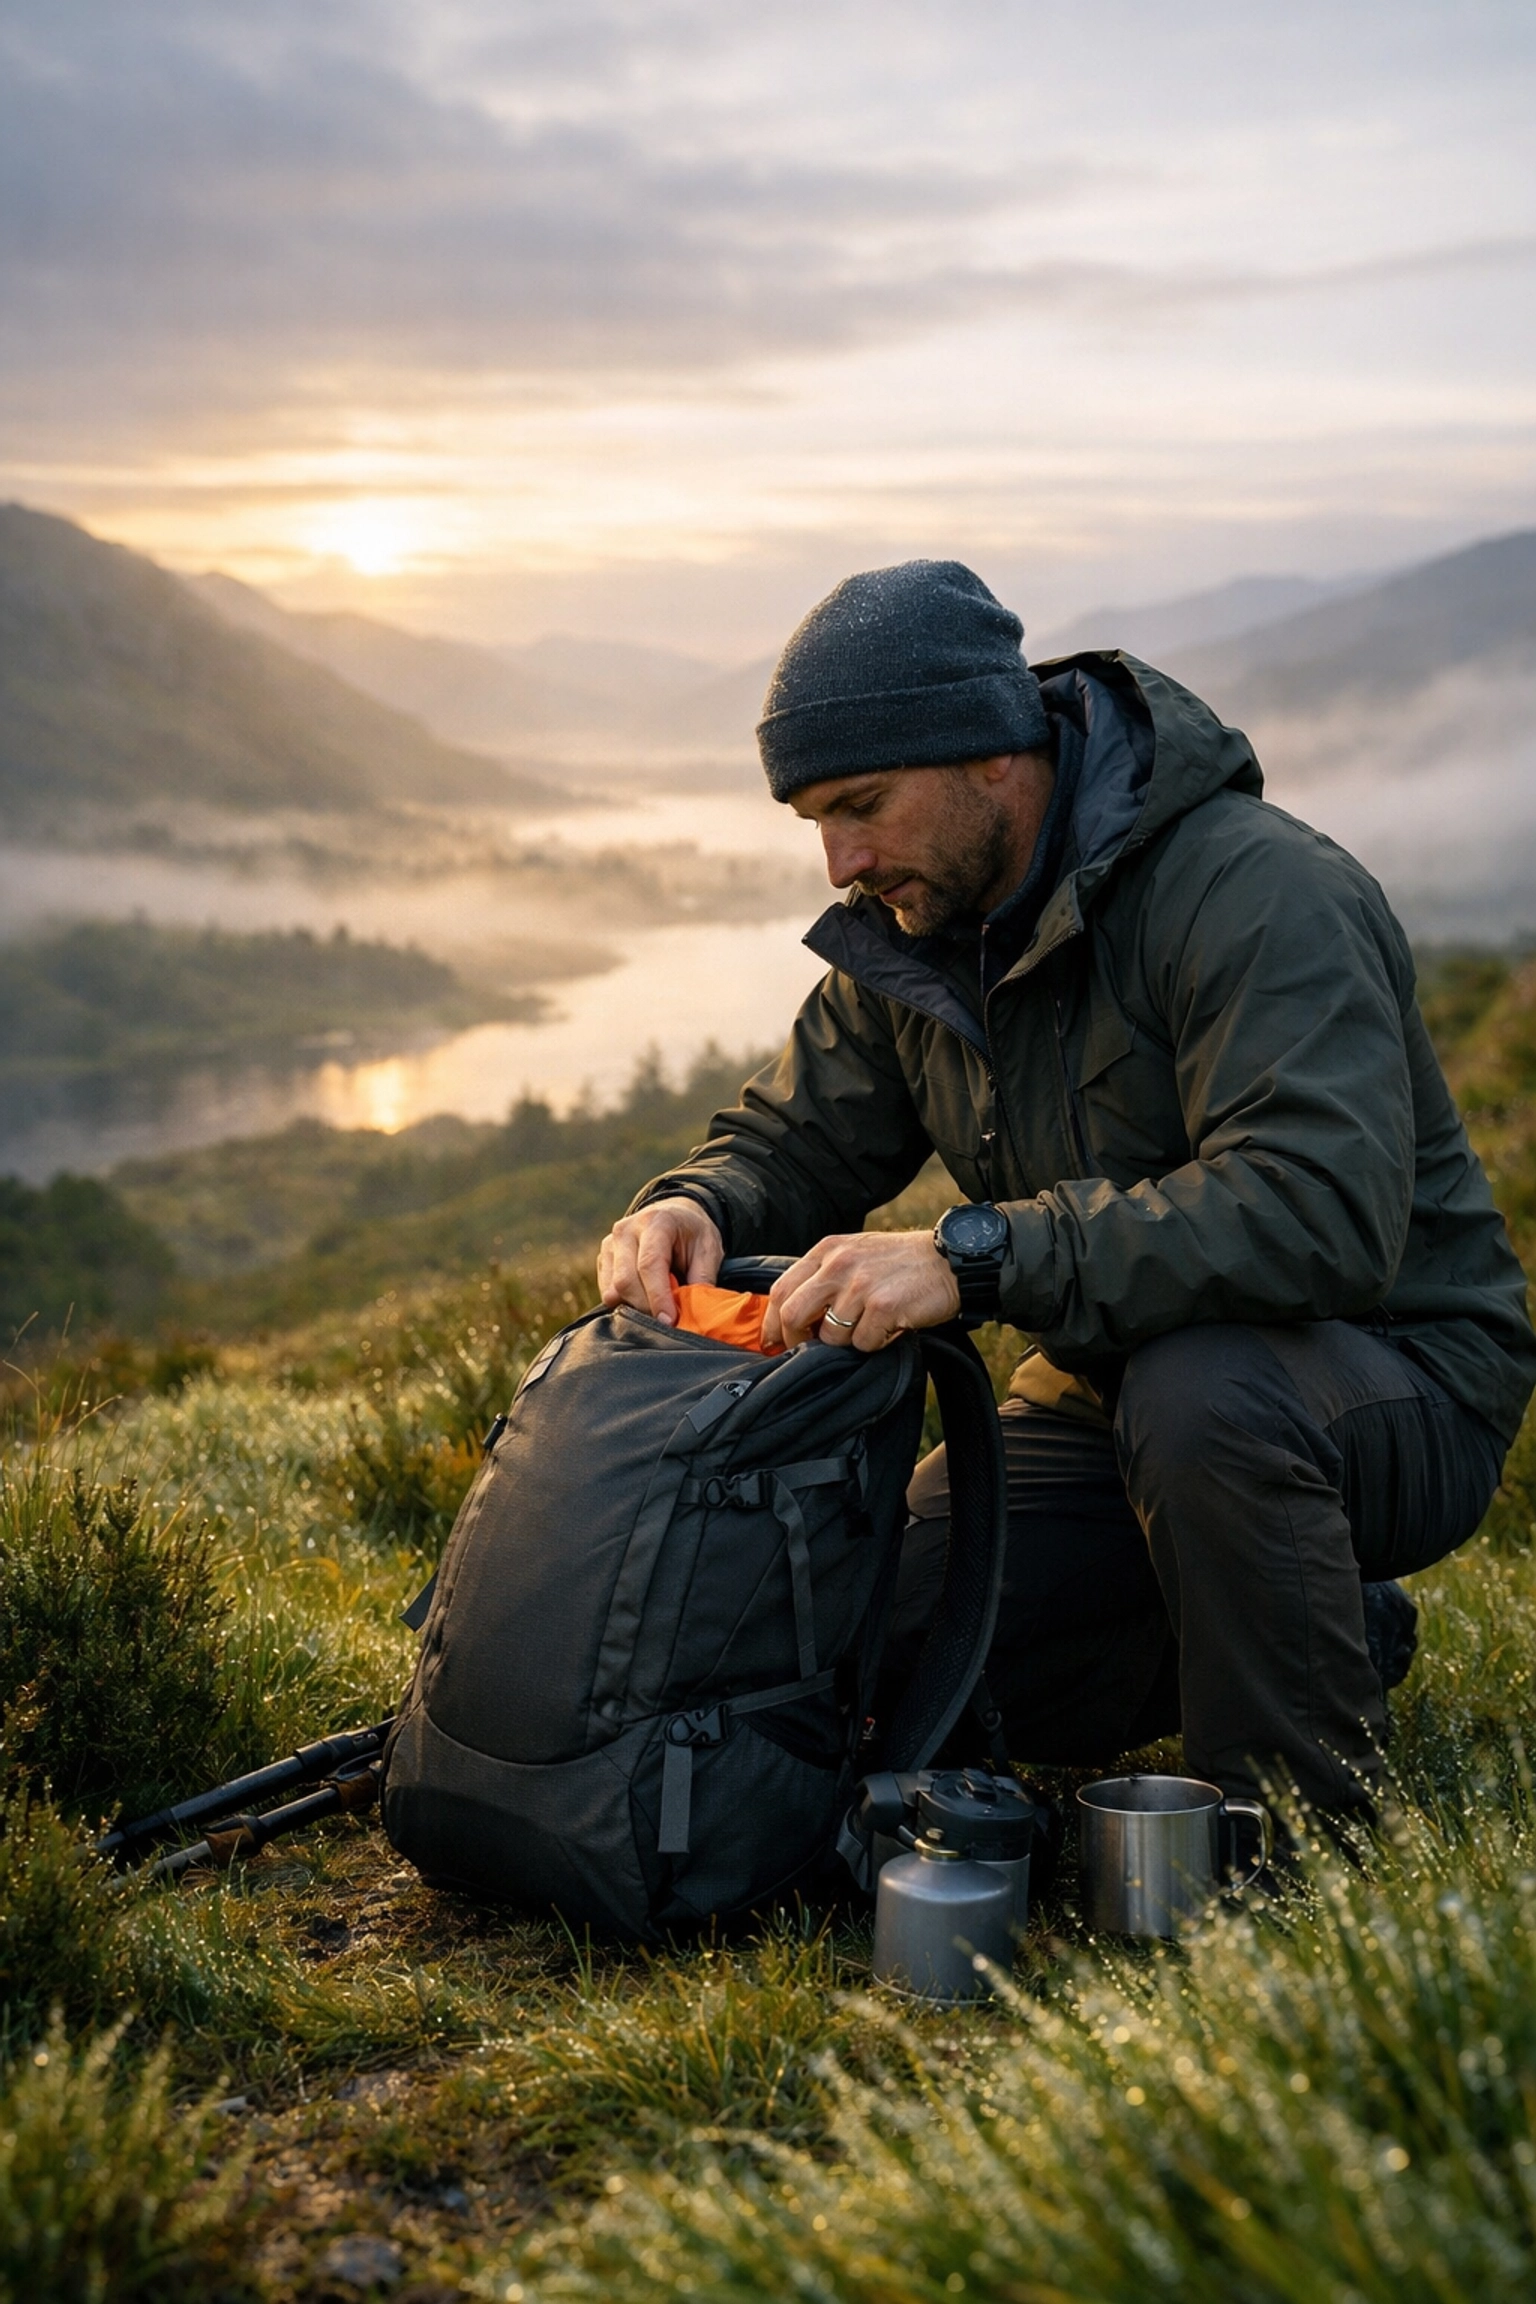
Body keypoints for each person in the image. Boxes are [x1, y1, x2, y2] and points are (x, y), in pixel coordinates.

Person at [598, 560, 1536, 1827]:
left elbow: (1319, 1212)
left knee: (1208, 1393)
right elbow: (796, 1136)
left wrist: (976, 1258)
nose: (839, 860)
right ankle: (1311, 1628)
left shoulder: (1256, 893)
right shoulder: (921, 932)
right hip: (1108, 1388)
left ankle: (1299, 1860)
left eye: (862, 805)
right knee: (873, 1632)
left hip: (1386, 1378)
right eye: (814, 819)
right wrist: (699, 1202)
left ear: (993, 752)